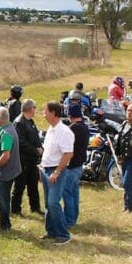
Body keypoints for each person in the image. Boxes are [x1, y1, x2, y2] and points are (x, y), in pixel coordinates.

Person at [39, 101, 75, 245]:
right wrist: (41, 166)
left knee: (53, 202)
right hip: (46, 169)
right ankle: (51, 231)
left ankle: (64, 234)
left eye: (45, 111)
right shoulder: (50, 129)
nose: (43, 114)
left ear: (53, 113)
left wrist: (57, 171)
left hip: (56, 171)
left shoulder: (64, 132)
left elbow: (68, 154)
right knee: (48, 203)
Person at [12, 99, 42, 215]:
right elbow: (21, 142)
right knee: (19, 186)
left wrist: (40, 147)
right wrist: (35, 150)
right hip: (22, 159)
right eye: (34, 107)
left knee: (33, 185)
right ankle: (15, 210)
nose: (35, 110)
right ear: (29, 109)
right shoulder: (19, 122)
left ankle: (35, 208)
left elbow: (36, 137)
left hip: (32, 160)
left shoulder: (31, 121)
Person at [64, 104, 89, 231]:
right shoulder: (85, 127)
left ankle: (68, 220)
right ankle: (74, 217)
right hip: (79, 165)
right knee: (74, 193)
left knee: (67, 193)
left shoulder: (72, 128)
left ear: (71, 115)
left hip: (71, 165)